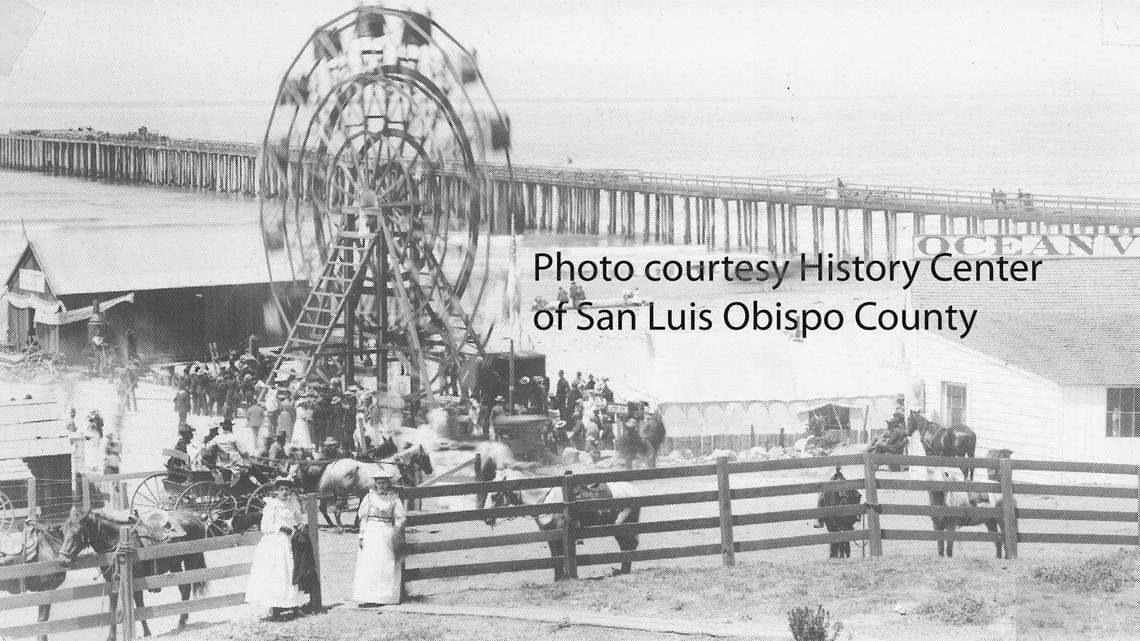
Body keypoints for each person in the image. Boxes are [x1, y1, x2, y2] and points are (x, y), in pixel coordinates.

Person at [245, 479, 308, 618]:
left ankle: (294, 606)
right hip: (276, 543)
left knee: (293, 571)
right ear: (276, 491)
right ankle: (276, 608)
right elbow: (264, 527)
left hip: (292, 541)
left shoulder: (293, 503)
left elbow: (298, 519)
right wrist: (279, 527)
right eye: (282, 489)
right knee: (278, 573)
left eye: (287, 489)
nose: (285, 492)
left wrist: (300, 524)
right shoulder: (272, 505)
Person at [352, 466, 407, 606]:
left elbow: (400, 518)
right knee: (370, 563)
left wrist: (395, 531)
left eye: (384, 482)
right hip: (371, 531)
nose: (381, 485)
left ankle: (384, 597)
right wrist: (361, 536)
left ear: (388, 483)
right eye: (379, 482)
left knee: (386, 563)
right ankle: (369, 596)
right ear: (375, 483)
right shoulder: (369, 497)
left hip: (387, 531)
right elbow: (363, 518)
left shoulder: (394, 498)